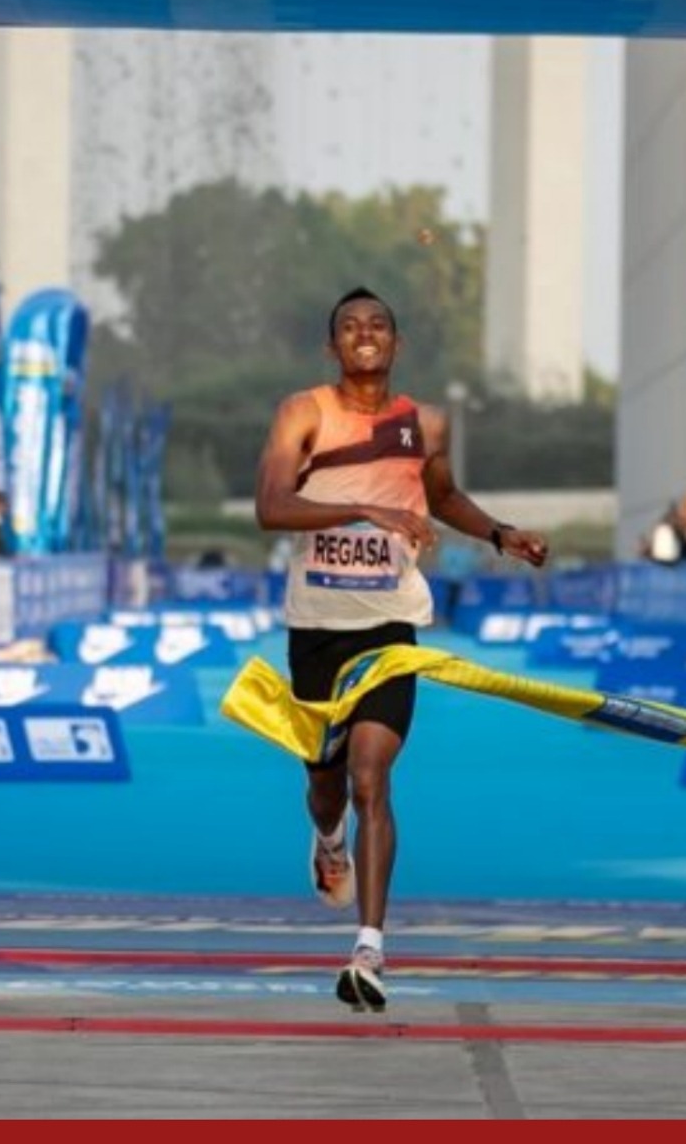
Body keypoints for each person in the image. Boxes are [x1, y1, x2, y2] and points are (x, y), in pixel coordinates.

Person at [254, 287, 548, 1011]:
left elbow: (442, 496)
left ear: (396, 343)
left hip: (390, 629)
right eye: (350, 326)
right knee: (326, 786)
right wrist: (366, 506)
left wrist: (501, 533)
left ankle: (370, 952)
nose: (364, 334)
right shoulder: (303, 412)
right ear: (333, 346)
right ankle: (328, 841)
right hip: (316, 628)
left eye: (378, 324)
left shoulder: (425, 423)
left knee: (369, 779)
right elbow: (270, 506)